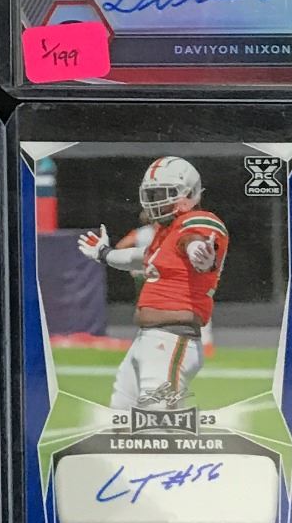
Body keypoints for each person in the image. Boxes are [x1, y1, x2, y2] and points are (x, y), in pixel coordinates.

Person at [78, 157, 229, 410]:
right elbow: (138, 257)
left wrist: (199, 251)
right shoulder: (166, 232)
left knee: (158, 419)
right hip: (149, 338)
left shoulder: (198, 220)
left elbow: (195, 240)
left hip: (172, 338)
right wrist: (104, 253)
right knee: (120, 416)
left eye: (164, 193)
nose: (156, 200)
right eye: (153, 193)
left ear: (189, 193)